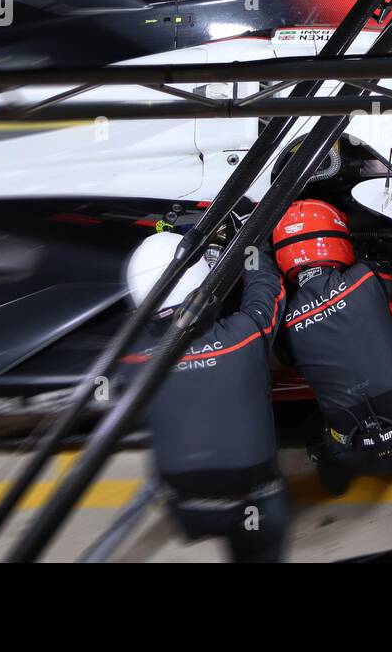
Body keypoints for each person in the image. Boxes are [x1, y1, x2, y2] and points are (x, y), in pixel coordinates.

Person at [271, 199, 392, 498]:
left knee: (317, 422)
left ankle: (335, 486)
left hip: (349, 451)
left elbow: (290, 359)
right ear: (336, 240)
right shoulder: (365, 278)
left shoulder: (283, 321)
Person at [121, 231, 288, 562]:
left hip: (183, 505)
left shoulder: (129, 358)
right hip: (252, 505)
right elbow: (267, 288)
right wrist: (254, 241)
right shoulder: (243, 336)